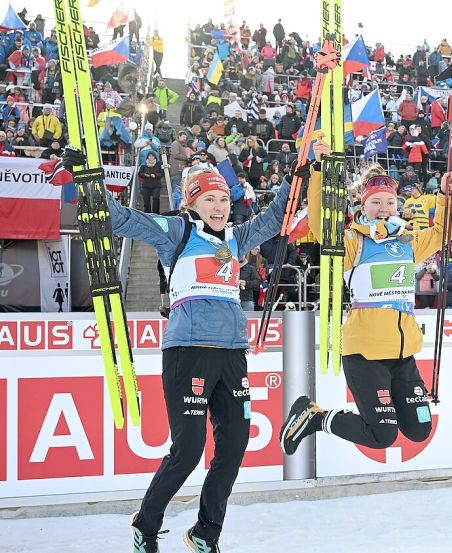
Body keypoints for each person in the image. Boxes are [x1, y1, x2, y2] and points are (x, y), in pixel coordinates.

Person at [61, 146, 294, 552]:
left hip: (232, 353)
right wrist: (87, 178)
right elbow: (121, 219)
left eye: (223, 199)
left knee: (234, 446)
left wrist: (298, 174)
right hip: (188, 350)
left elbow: (277, 217)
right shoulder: (178, 233)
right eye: (209, 199)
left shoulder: (236, 238)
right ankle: (145, 524)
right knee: (188, 450)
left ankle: (206, 533)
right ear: (192, 202)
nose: (218, 206)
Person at [280, 157, 452, 458]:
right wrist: (317, 178)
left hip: (402, 354)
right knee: (381, 435)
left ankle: (316, 416)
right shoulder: (354, 242)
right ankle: (314, 417)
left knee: (419, 429)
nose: (383, 209)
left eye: (389, 202)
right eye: (375, 202)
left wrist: (446, 195)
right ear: (363, 206)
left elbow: (444, 232)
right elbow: (320, 226)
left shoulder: (408, 242)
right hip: (365, 353)